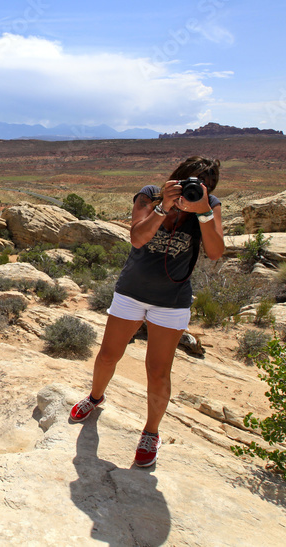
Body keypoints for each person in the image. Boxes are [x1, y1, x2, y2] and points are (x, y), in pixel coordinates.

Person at [70, 156, 224, 467]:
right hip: (132, 293)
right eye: (190, 181)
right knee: (108, 355)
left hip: (172, 300)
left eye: (203, 185)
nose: (195, 188)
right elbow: (138, 238)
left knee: (157, 371)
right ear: (175, 178)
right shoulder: (150, 195)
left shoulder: (209, 205)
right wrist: (163, 208)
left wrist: (204, 212)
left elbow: (215, 252)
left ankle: (151, 432)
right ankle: (95, 397)